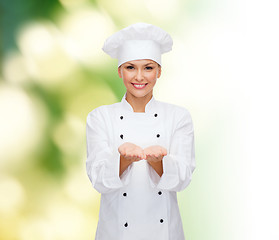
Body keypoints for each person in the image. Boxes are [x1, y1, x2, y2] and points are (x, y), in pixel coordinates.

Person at [86, 22, 196, 240]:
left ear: (159, 72)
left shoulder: (178, 117)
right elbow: (98, 178)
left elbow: (183, 178)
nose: (139, 77)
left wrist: (158, 163)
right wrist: (123, 160)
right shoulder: (100, 117)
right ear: (119, 71)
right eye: (130, 67)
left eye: (148, 68)